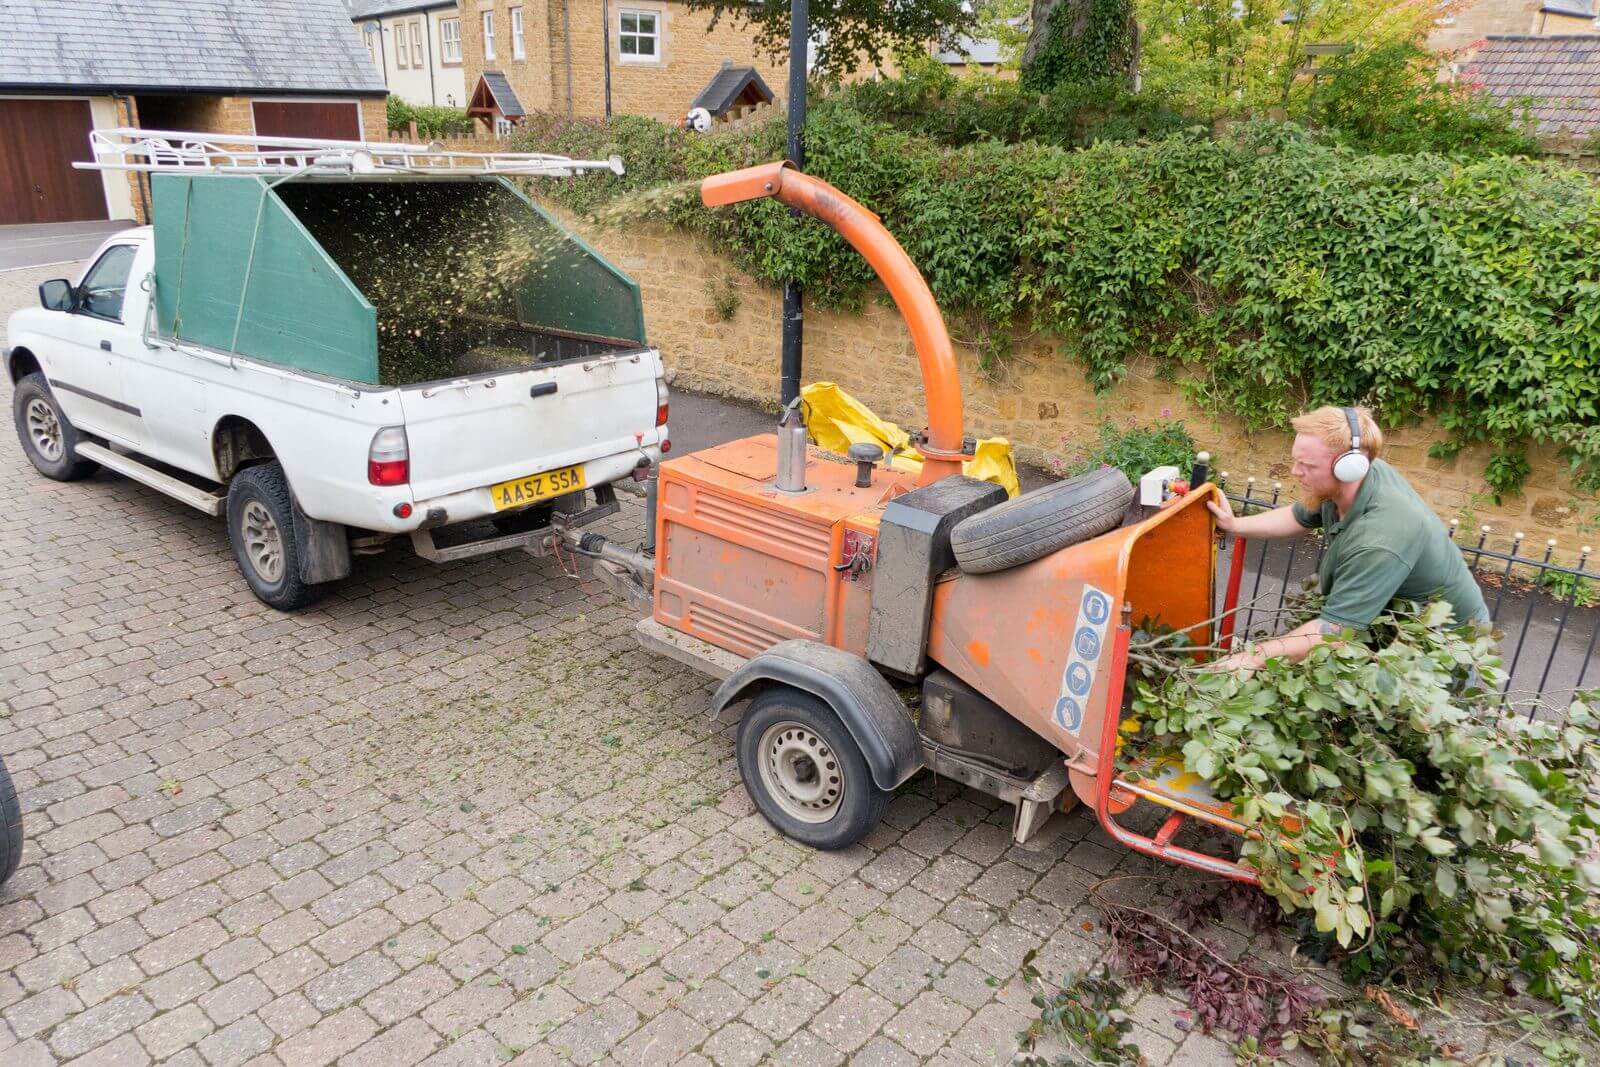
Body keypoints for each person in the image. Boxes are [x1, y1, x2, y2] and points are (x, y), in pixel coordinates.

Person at [1206, 406, 1488, 673]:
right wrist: (1234, 525)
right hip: (1387, 627)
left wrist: (1253, 658)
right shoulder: (1348, 483)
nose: (1295, 471)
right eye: (1296, 460)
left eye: (1307, 465)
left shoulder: (1380, 538)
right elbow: (1299, 517)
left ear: (1349, 467)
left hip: (1442, 651)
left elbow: (1333, 633)